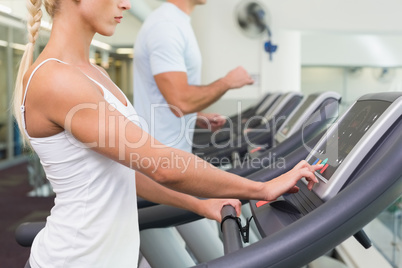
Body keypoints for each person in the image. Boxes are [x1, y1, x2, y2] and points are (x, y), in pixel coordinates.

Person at [13, 0, 320, 267]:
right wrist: (260, 188)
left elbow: (129, 171)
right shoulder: (56, 79)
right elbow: (162, 165)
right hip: (73, 259)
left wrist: (200, 204)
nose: (127, 4)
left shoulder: (94, 74)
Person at [133, 0, 255, 153]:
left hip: (169, 149)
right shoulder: (166, 26)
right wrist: (227, 82)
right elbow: (181, 101)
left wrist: (194, 117)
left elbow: (166, 95)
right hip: (160, 154)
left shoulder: (176, 22)